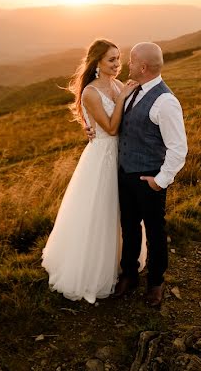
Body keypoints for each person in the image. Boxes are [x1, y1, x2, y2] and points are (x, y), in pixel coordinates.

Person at [41, 39, 140, 303]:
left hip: (122, 156)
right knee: (101, 211)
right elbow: (110, 128)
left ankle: (123, 261)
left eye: (119, 59)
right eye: (111, 60)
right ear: (97, 62)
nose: (117, 64)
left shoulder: (118, 85)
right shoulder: (90, 92)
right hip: (103, 158)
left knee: (123, 211)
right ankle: (93, 269)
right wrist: (125, 99)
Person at [111, 42, 188, 307]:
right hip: (126, 173)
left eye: (131, 61)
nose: (127, 65)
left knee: (155, 230)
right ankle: (129, 274)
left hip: (149, 179)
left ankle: (156, 282)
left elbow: (178, 149)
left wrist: (160, 180)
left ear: (142, 67)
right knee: (129, 227)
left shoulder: (166, 102)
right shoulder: (133, 89)